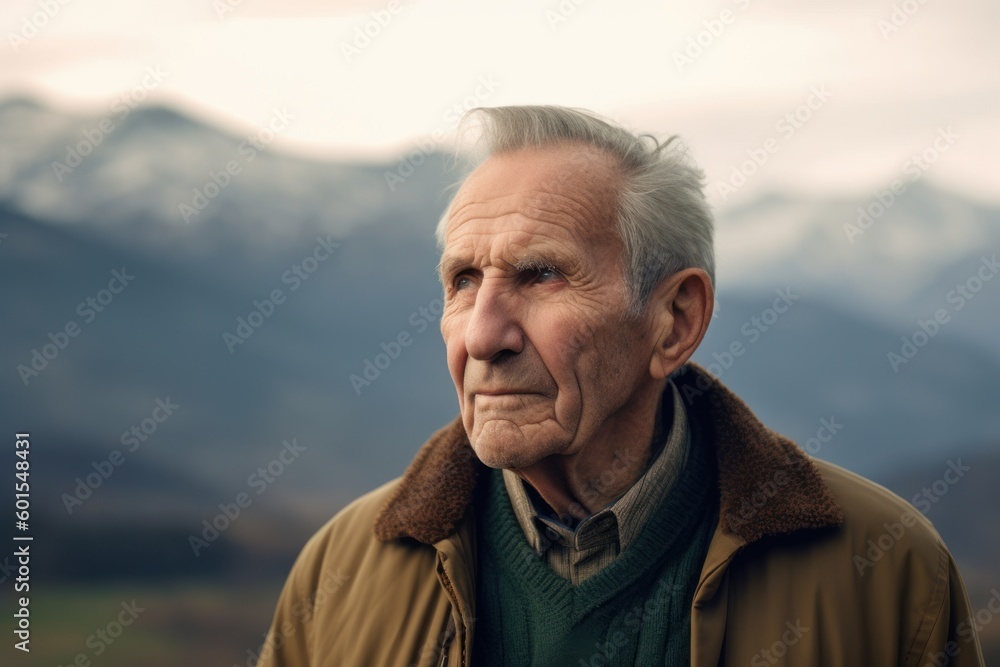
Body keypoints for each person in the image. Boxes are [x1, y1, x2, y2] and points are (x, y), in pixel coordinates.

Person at [256, 105, 984, 666]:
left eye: (542, 274)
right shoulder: (343, 570)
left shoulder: (883, 569)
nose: (482, 335)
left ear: (674, 319)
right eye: (463, 281)